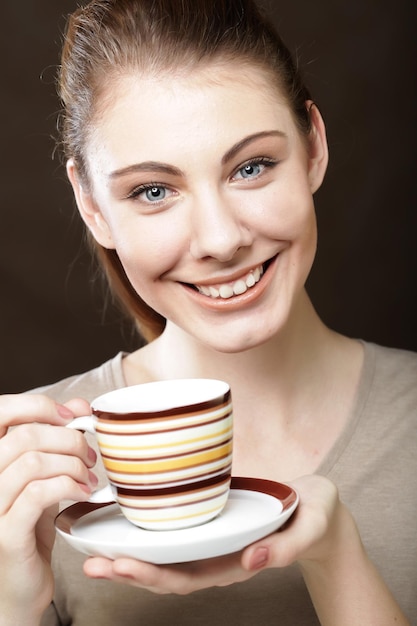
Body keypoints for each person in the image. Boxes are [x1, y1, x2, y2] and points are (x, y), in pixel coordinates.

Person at [0, 0, 415, 624]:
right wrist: (10, 603)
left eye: (251, 167)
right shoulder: (28, 480)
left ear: (313, 148)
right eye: (154, 191)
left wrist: (336, 557)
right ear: (91, 206)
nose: (221, 239)